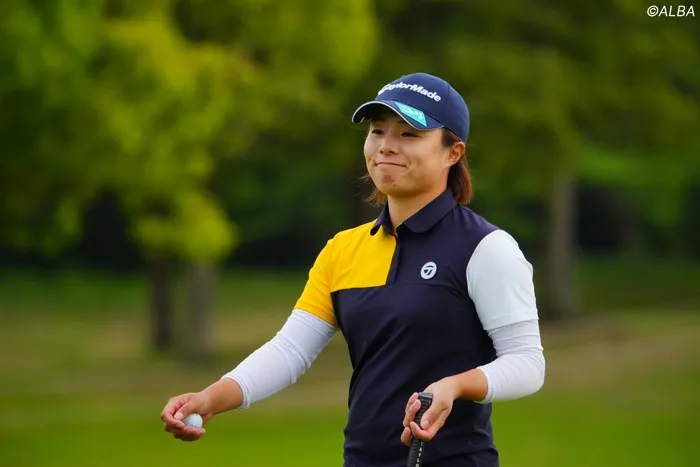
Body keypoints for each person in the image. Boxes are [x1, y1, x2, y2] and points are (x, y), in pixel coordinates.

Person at [161, 72, 546, 466]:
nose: (386, 145)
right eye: (377, 131)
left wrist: (455, 386)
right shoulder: (343, 250)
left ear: (453, 152)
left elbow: (527, 364)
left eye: (409, 134)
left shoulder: (485, 248)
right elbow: (290, 350)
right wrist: (212, 397)